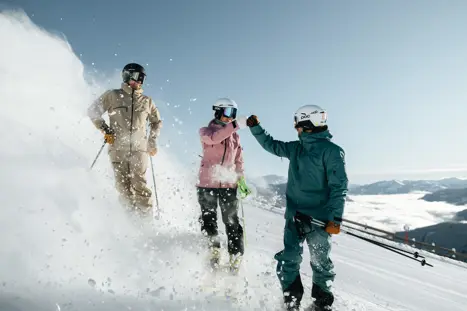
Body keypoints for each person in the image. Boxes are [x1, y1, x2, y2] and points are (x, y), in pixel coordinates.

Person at [244, 105, 348, 311]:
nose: (295, 128)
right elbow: (271, 145)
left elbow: (339, 187)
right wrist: (256, 128)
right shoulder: (296, 148)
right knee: (288, 260)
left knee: (320, 262)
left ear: (306, 124)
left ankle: (322, 304)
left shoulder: (332, 152)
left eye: (297, 124)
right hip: (294, 217)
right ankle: (291, 301)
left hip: (319, 220)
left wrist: (335, 218)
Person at [87, 63, 162, 217]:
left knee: (139, 184)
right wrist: (105, 129)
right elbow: (93, 111)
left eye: (143, 78)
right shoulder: (113, 96)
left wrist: (152, 140)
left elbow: (156, 122)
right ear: (127, 76)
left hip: (139, 149)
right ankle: (130, 222)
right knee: (123, 188)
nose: (140, 81)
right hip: (117, 149)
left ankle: (146, 222)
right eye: (137, 77)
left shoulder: (147, 101)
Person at [196, 98, 251, 273]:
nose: (230, 117)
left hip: (228, 184)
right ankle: (213, 251)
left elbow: (238, 158)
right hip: (207, 184)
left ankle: (235, 256)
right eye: (228, 112)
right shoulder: (206, 131)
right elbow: (215, 139)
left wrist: (240, 177)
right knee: (208, 220)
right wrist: (235, 125)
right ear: (218, 112)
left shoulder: (235, 135)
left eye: (233, 114)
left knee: (232, 221)